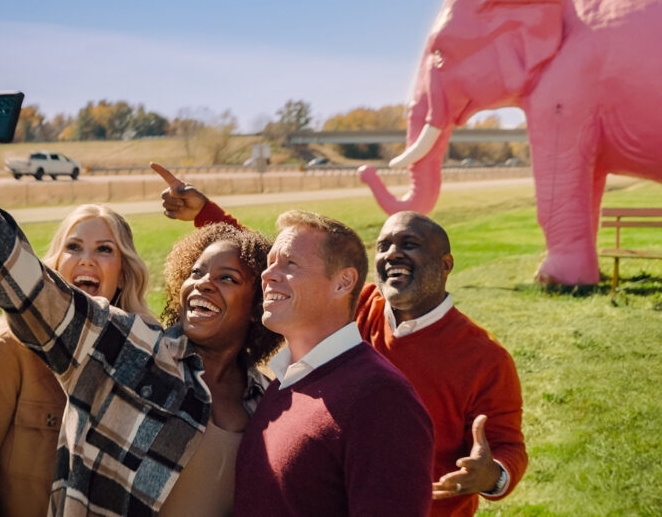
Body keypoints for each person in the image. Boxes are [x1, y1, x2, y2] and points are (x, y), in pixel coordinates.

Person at [0, 87, 281, 516]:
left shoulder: (268, 401)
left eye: (226, 278)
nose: (202, 285)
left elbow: (284, 280)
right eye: (194, 273)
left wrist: (210, 216)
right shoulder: (132, 351)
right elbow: (18, 276)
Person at [156, 164, 528, 516]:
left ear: (445, 264)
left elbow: (507, 445)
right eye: (383, 245)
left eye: (410, 244)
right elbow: (287, 268)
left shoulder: (483, 357)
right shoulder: (357, 307)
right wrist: (207, 213)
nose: (392, 254)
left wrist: (491, 475)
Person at [0, 202, 156, 517]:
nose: (86, 260)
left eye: (104, 249)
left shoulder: (140, 357)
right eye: (73, 247)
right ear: (54, 266)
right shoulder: (6, 349)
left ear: (122, 275)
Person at [233, 209, 435, 516]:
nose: (267, 274)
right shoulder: (283, 383)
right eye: (270, 262)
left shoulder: (381, 399)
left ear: (343, 283)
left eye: (290, 263)